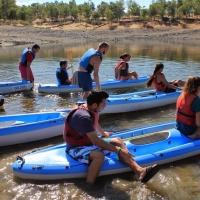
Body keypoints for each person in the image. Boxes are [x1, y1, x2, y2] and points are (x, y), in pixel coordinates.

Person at [63, 90, 159, 184]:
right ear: (95, 105)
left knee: (117, 141)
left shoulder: (90, 107)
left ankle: (139, 171)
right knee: (99, 156)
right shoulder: (83, 116)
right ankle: (89, 184)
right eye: (103, 103)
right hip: (75, 147)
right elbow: (96, 140)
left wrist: (104, 134)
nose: (105, 105)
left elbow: (94, 124)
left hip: (88, 142)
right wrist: (117, 150)